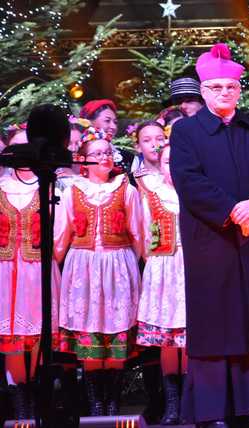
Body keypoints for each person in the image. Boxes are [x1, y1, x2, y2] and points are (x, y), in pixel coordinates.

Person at [169, 43, 249, 428]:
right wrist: (231, 212)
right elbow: (189, 181)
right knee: (215, 321)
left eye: (231, 88)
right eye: (217, 87)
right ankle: (212, 410)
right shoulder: (186, 130)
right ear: (204, 91)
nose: (224, 93)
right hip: (211, 239)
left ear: (239, 91)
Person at [55, 127, 143, 416]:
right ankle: (95, 402)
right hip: (83, 265)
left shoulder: (126, 189)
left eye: (107, 152)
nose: (104, 157)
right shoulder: (73, 191)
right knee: (89, 327)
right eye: (97, 153)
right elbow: (62, 233)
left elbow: (139, 232)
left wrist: (138, 264)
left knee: (116, 326)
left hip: (118, 263)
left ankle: (113, 400)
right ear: (83, 160)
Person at [0, 124, 62, 420]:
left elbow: (62, 230)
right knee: (10, 335)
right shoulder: (0, 187)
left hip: (38, 269)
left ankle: (38, 394)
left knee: (38, 332)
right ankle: (20, 400)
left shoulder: (49, 186)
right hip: (5, 270)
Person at [135, 142, 187, 425]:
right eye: (167, 162)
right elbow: (142, 234)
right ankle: (172, 403)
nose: (172, 167)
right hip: (163, 267)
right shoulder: (151, 194)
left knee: (190, 337)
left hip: (191, 267)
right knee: (168, 339)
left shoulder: (195, 193)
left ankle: (191, 398)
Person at [79, 99, 134, 173]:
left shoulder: (126, 156)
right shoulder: (78, 156)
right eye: (107, 121)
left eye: (115, 122)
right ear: (89, 122)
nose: (113, 127)